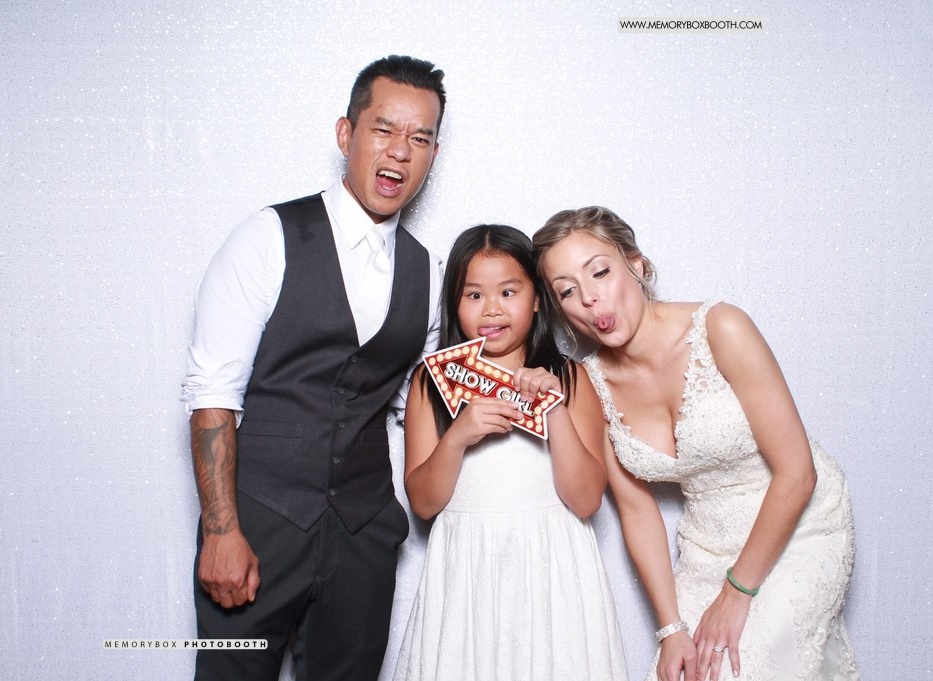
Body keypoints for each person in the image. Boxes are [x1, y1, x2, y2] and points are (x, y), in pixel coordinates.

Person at [180, 55, 445, 681]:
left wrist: (529, 385)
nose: (400, 150)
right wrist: (221, 531)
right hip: (257, 528)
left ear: (434, 154)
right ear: (346, 134)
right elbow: (213, 391)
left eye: (420, 138)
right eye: (384, 128)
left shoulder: (428, 273)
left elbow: (420, 403)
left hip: (362, 535)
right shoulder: (267, 237)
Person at [533, 206, 859, 681]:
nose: (589, 298)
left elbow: (798, 473)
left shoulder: (721, 327)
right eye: (567, 290)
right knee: (682, 673)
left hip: (801, 522)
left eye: (600, 272)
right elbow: (637, 511)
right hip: (708, 546)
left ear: (637, 265)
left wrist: (736, 594)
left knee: (753, 666)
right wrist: (671, 629)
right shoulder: (593, 382)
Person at [394, 224, 629, 681]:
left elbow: (586, 500)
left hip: (553, 568)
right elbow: (422, 504)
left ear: (537, 298)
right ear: (454, 302)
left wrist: (553, 410)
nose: (492, 309)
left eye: (508, 292)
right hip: (467, 572)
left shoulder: (570, 377)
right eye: (473, 295)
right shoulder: (431, 381)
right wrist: (458, 436)